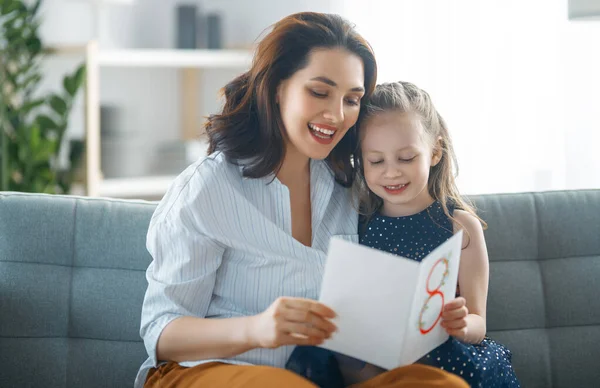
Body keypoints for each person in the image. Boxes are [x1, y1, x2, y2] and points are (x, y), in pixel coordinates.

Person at [135, 12, 469, 388]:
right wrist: (257, 329)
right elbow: (161, 332)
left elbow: (417, 206)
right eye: (319, 92)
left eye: (352, 99)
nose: (337, 115)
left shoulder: (351, 186)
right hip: (199, 371)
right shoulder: (208, 188)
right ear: (278, 87)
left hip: (323, 376)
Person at [354, 81, 520, 387]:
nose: (391, 172)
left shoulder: (460, 227)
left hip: (449, 357)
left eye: (406, 158)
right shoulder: (357, 224)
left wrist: (460, 325)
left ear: (434, 152)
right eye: (376, 161)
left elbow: (478, 322)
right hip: (379, 360)